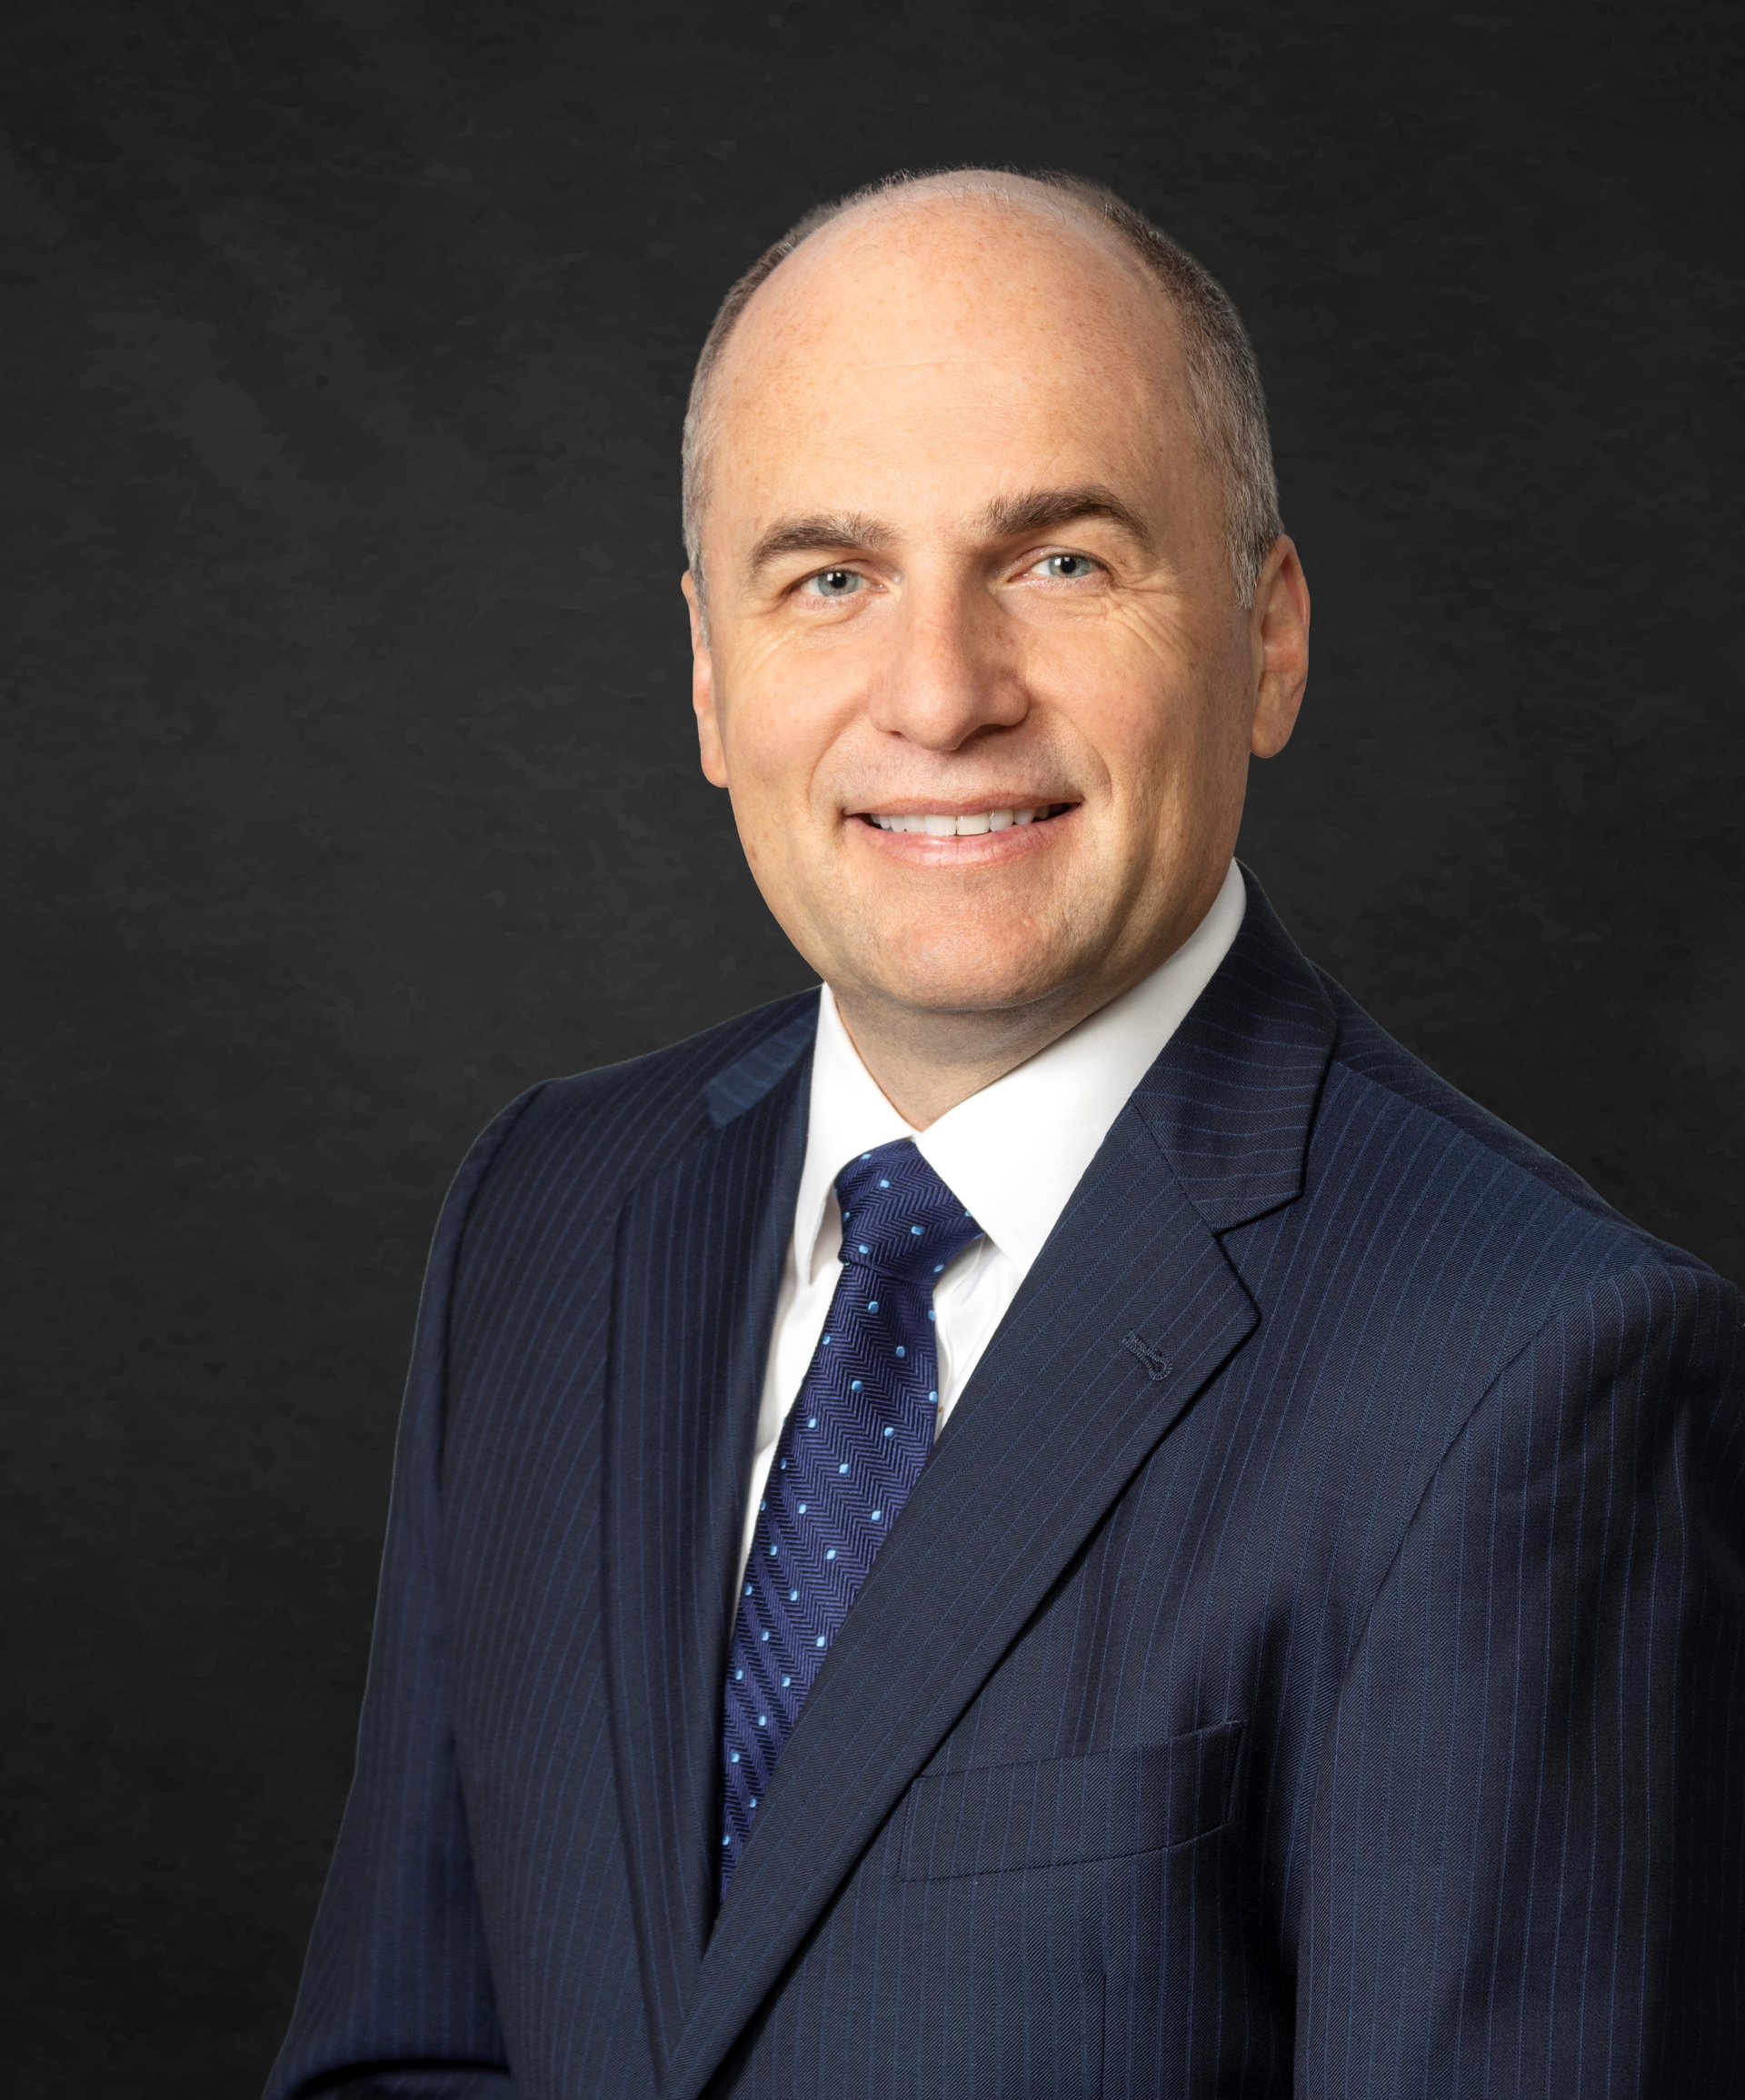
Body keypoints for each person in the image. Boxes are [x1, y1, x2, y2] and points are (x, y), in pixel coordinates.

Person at [266, 170, 1743, 2100]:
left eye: (1058, 561)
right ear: (710, 676)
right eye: (832, 578)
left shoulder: (1533, 1374)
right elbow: (402, 2057)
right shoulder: (547, 1217)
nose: (941, 695)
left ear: (1270, 636)